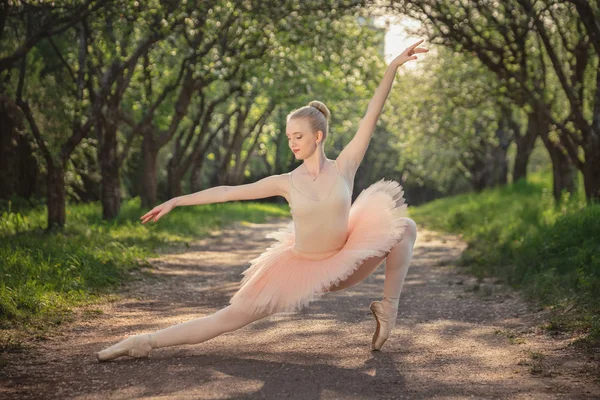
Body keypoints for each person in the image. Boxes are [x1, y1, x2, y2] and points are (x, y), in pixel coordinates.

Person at [96, 39, 428, 361]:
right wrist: (177, 200)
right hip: (298, 270)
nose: (293, 144)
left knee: (405, 227)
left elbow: (372, 113)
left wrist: (392, 67)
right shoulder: (285, 182)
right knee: (227, 317)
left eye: (298, 137)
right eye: (288, 138)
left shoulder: (345, 167)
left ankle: (389, 307)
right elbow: (227, 192)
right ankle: (144, 341)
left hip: (344, 264)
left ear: (318, 136)